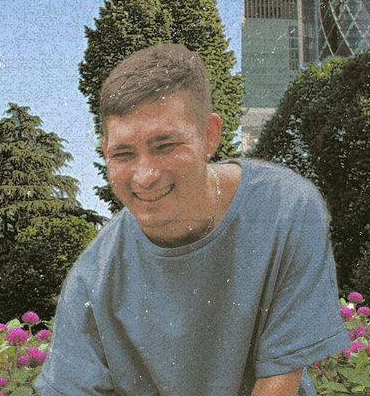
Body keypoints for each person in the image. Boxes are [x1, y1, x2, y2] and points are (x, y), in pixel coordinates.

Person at [37, 44, 348, 396]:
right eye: (123, 154)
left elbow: (278, 384)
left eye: (165, 146)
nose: (145, 176)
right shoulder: (91, 278)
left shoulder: (287, 207)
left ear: (209, 136)